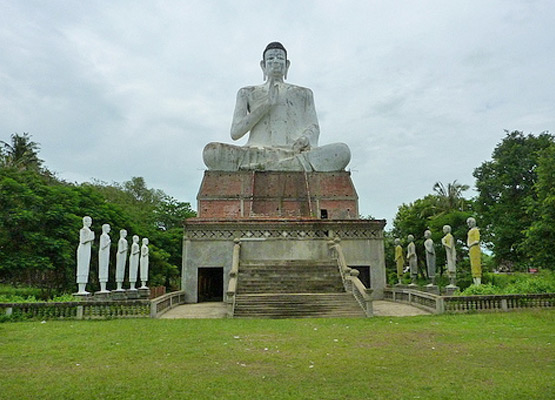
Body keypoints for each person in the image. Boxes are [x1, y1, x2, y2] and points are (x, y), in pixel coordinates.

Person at [202, 42, 351, 172]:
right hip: (256, 152)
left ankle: (269, 166)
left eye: (280, 58)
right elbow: (235, 133)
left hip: (295, 152)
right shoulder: (247, 92)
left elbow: (314, 127)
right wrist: (266, 105)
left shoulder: (304, 93)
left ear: (287, 65)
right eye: (271, 58)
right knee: (212, 152)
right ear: (263, 65)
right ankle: (285, 165)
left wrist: (305, 139)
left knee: (342, 151)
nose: (275, 62)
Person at [76, 216, 95, 294]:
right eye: (89, 221)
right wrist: (91, 238)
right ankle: (80, 289)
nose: (91, 223)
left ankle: (83, 288)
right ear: (85, 222)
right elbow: (82, 240)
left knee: (85, 267)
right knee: (82, 267)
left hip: (87, 250)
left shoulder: (88, 230)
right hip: (83, 250)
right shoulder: (83, 230)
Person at [467, 217, 482, 285]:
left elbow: (477, 240)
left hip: (475, 248)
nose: (468, 224)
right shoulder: (470, 231)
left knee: (476, 264)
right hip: (471, 249)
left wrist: (470, 245)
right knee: (472, 265)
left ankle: (478, 283)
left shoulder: (476, 230)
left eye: (469, 223)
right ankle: (475, 283)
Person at [98, 224, 111, 293]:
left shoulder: (106, 236)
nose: (109, 229)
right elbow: (102, 246)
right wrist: (108, 242)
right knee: (103, 268)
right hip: (103, 254)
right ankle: (102, 288)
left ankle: (104, 287)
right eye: (108, 228)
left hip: (106, 254)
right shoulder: (103, 236)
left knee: (105, 268)